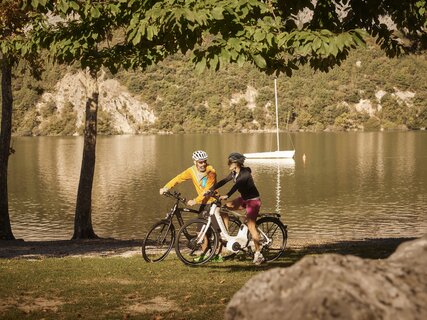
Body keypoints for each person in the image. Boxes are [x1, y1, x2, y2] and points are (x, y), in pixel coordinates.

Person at [208, 152, 264, 265]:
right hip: (243, 199)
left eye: (230, 162)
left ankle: (258, 254)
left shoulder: (244, 174)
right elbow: (224, 181)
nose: (228, 164)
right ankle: (226, 234)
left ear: (236, 163)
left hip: (253, 201)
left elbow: (236, 186)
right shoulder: (234, 173)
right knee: (223, 209)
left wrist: (227, 195)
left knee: (251, 226)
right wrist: (211, 189)